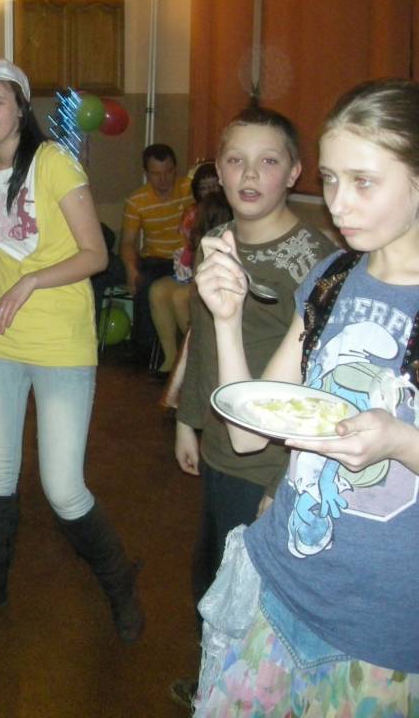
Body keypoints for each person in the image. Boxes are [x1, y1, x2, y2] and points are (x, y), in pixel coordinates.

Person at [192, 80, 419, 714]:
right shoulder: (334, 277)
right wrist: (227, 318)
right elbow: (247, 434)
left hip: (381, 628)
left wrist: (400, 442)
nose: (338, 204)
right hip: (280, 588)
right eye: (332, 179)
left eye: (364, 182)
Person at [0, 58, 144, 641]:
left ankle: (120, 584)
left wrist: (30, 281)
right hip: (1, 340)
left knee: (63, 487)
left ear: (21, 108)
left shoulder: (55, 163)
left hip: (61, 343)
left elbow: (95, 255)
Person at [166, 108, 336, 709]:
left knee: (252, 603)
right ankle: (213, 683)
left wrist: (285, 481)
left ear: (294, 172)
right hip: (221, 447)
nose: (250, 174)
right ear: (219, 168)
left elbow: (324, 386)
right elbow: (203, 338)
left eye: (268, 161)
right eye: (236, 160)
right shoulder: (218, 241)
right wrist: (187, 418)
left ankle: (233, 695)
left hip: (269, 464)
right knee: (210, 578)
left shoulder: (317, 263)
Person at [120, 143, 194, 367]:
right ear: (146, 173)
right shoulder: (137, 200)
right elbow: (127, 243)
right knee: (143, 281)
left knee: (153, 286)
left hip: (184, 259)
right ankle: (145, 350)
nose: (163, 179)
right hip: (155, 259)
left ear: (175, 170)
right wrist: (131, 270)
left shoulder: (189, 190)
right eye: (156, 174)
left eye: (168, 172)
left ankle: (157, 352)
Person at [149, 162, 221, 373]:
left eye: (214, 186)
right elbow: (188, 247)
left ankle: (193, 358)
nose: (209, 192)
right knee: (157, 290)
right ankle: (172, 357)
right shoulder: (192, 213)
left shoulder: (228, 211)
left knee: (180, 297)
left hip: (212, 274)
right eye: (204, 187)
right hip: (190, 270)